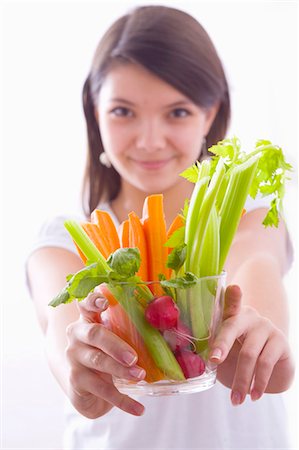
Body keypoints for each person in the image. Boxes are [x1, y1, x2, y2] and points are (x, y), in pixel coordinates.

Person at [26, 5, 295, 449]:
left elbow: (257, 286)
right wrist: (78, 371)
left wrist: (262, 348)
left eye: (178, 113)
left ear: (211, 115)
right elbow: (64, 336)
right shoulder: (62, 242)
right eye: (123, 111)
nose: (150, 140)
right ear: (94, 113)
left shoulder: (249, 221)